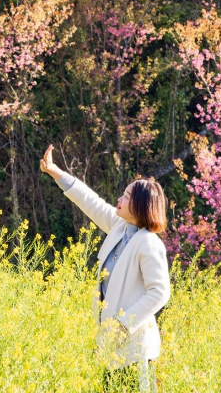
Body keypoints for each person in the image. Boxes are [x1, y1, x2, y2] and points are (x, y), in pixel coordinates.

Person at [40, 145, 171, 392]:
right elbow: (90, 201)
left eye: (126, 197)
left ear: (141, 206)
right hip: (110, 347)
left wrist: (123, 324)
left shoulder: (149, 242)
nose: (119, 200)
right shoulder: (119, 227)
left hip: (135, 348)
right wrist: (55, 172)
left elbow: (160, 292)